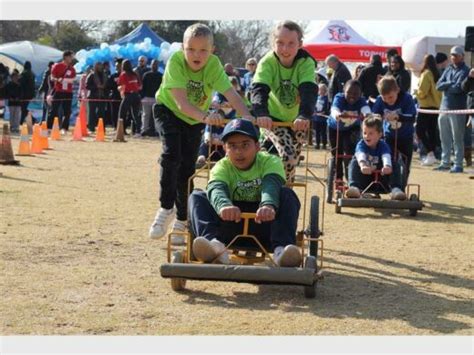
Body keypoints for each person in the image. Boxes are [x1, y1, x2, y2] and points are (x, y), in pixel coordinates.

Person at [149, 23, 253, 244]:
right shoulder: (176, 62)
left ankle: (182, 218)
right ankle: (166, 207)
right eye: (191, 49)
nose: (196, 55)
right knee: (171, 156)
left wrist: (247, 116)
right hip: (168, 110)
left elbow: (231, 94)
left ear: (212, 50)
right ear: (183, 48)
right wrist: (206, 117)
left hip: (193, 120)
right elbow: (180, 102)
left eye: (203, 50)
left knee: (187, 167)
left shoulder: (214, 66)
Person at [189, 118, 302, 267]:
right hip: (230, 226)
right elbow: (217, 188)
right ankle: (214, 246)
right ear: (225, 148)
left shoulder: (270, 161)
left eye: (245, 145)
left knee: (287, 194)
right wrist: (223, 206)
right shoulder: (221, 166)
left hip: (265, 225)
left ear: (257, 146)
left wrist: (268, 205)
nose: (238, 151)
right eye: (232, 146)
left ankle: (282, 251)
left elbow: (271, 185)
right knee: (197, 196)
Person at [249, 20, 317, 182]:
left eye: (291, 44)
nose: (285, 49)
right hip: (272, 119)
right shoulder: (267, 62)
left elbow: (308, 90)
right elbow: (259, 89)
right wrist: (262, 113)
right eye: (280, 43)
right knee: (288, 157)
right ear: (273, 44)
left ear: (300, 44)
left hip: (297, 120)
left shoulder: (306, 62)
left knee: (291, 161)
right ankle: (275, 189)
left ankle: (286, 194)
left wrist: (304, 115)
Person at [346, 114, 406, 200]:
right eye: (365, 133)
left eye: (371, 133)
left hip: (382, 180)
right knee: (354, 162)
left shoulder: (383, 145)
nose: (367, 136)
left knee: (395, 164)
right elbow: (360, 154)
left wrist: (387, 166)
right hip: (364, 180)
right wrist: (363, 165)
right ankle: (354, 187)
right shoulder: (361, 144)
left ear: (379, 134)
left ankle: (395, 189)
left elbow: (386, 156)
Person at [372, 76, 417, 180]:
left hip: (406, 136)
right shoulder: (379, 100)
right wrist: (377, 117)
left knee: (406, 164)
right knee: (387, 160)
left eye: (391, 97)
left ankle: (402, 187)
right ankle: (387, 184)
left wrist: (398, 117)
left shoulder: (407, 98)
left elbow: (412, 117)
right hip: (389, 136)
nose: (388, 101)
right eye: (385, 98)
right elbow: (374, 115)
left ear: (397, 90)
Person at [435, 46, 470, 173]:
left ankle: (458, 164)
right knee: (444, 137)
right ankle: (445, 162)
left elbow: (460, 88)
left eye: (455, 55)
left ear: (462, 56)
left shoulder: (466, 70)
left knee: (457, 138)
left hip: (457, 108)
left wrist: (447, 85)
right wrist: (450, 83)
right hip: (444, 107)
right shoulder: (448, 69)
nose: (453, 57)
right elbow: (438, 85)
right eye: (451, 55)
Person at [328, 79, 371, 180]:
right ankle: (338, 177)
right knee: (336, 153)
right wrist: (337, 114)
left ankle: (351, 178)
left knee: (350, 153)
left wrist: (367, 114)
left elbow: (366, 109)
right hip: (335, 128)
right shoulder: (339, 97)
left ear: (360, 94)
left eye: (356, 93)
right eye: (349, 93)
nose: (352, 96)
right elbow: (334, 109)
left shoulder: (361, 100)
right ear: (344, 91)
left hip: (351, 129)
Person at [414, 54, 442, 166]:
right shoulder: (436, 74)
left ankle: (430, 154)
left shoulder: (426, 74)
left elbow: (423, 92)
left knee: (419, 130)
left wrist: (416, 92)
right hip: (436, 106)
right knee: (431, 132)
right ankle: (434, 155)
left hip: (425, 107)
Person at [47, 50, 76, 132]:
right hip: (59, 91)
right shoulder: (57, 66)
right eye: (70, 57)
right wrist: (58, 79)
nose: (71, 58)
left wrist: (65, 80)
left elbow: (73, 79)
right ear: (65, 57)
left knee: (67, 111)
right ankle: (49, 127)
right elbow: (52, 78)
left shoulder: (72, 68)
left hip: (68, 92)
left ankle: (64, 128)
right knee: (53, 110)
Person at [117, 59, 142, 135]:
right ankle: (138, 131)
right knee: (136, 114)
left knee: (122, 113)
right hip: (137, 95)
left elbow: (122, 86)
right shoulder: (135, 74)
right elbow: (140, 86)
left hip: (128, 95)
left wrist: (122, 94)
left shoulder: (123, 74)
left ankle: (122, 131)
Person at [140, 59, 162, 137]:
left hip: (156, 98)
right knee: (145, 115)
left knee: (156, 116)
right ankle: (144, 130)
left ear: (158, 66)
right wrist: (142, 97)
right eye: (153, 64)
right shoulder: (146, 75)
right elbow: (143, 87)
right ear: (151, 65)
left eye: (155, 64)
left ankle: (157, 130)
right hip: (146, 98)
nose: (154, 66)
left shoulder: (160, 76)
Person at [86, 61, 107, 133]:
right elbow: (87, 86)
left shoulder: (104, 75)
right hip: (93, 96)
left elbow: (107, 85)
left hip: (102, 97)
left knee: (102, 113)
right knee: (92, 113)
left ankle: (102, 128)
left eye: (100, 65)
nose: (100, 67)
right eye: (98, 65)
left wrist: (104, 87)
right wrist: (96, 86)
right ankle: (91, 128)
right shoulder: (91, 75)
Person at [461, 68, 474, 167]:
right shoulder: (471, 76)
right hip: (471, 110)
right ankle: (468, 159)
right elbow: (464, 87)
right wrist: (469, 77)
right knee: (469, 135)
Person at [106, 58, 123, 129]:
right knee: (114, 112)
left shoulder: (125, 75)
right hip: (114, 97)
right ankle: (115, 126)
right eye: (116, 66)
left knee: (123, 113)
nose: (117, 67)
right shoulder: (113, 76)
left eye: (119, 66)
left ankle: (123, 127)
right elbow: (109, 86)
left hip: (123, 97)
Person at [312, 83, 330, 149]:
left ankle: (324, 144)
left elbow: (327, 107)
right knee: (317, 132)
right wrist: (314, 112)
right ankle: (317, 144)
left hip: (323, 119)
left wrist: (324, 112)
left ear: (325, 90)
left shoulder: (326, 98)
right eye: (319, 89)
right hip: (316, 118)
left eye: (322, 90)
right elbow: (314, 106)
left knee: (323, 132)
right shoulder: (317, 97)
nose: (320, 91)